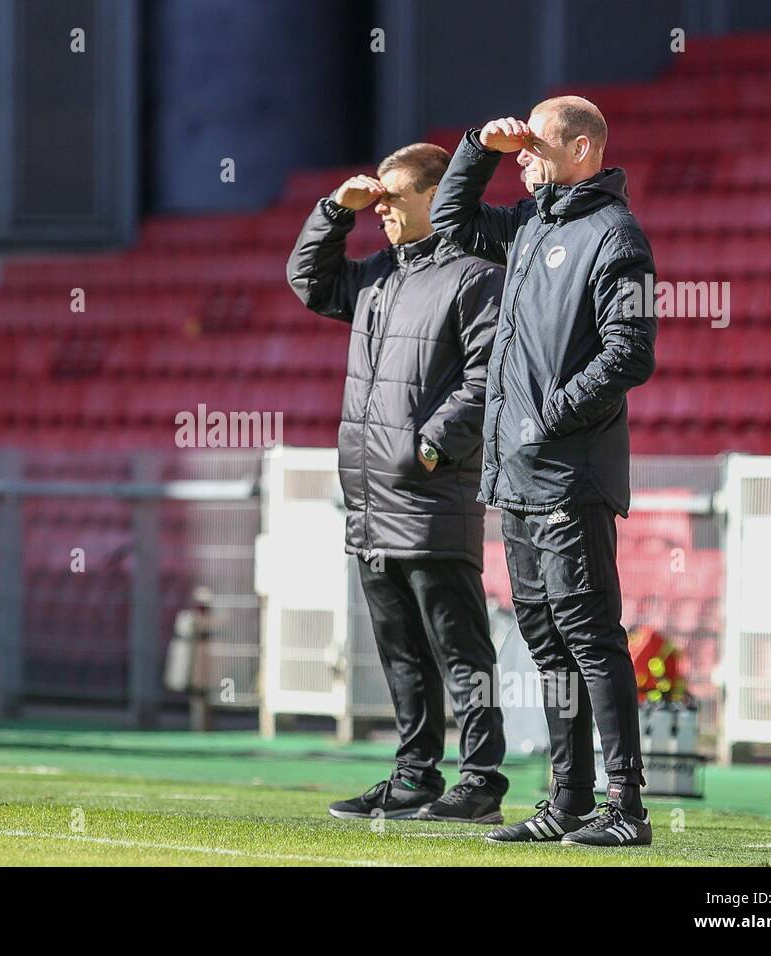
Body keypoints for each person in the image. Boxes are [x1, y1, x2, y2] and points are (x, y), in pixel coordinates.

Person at [431, 96, 657, 846]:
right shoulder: (530, 226)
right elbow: (450, 222)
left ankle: (625, 807)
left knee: (590, 636)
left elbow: (631, 352)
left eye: (536, 145)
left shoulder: (615, 235)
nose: (523, 156)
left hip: (569, 475)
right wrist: (477, 146)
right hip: (518, 478)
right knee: (547, 641)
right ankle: (567, 798)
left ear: (584, 150)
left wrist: (546, 418)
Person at [288, 143, 509, 823]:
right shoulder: (379, 275)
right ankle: (414, 774)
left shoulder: (474, 276)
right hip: (369, 500)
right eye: (376, 199)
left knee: (458, 645)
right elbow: (309, 282)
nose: (380, 208)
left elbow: (486, 378)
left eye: (393, 196)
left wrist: (432, 449)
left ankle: (480, 782)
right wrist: (333, 211)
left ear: (434, 196)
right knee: (401, 650)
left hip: (430, 495)